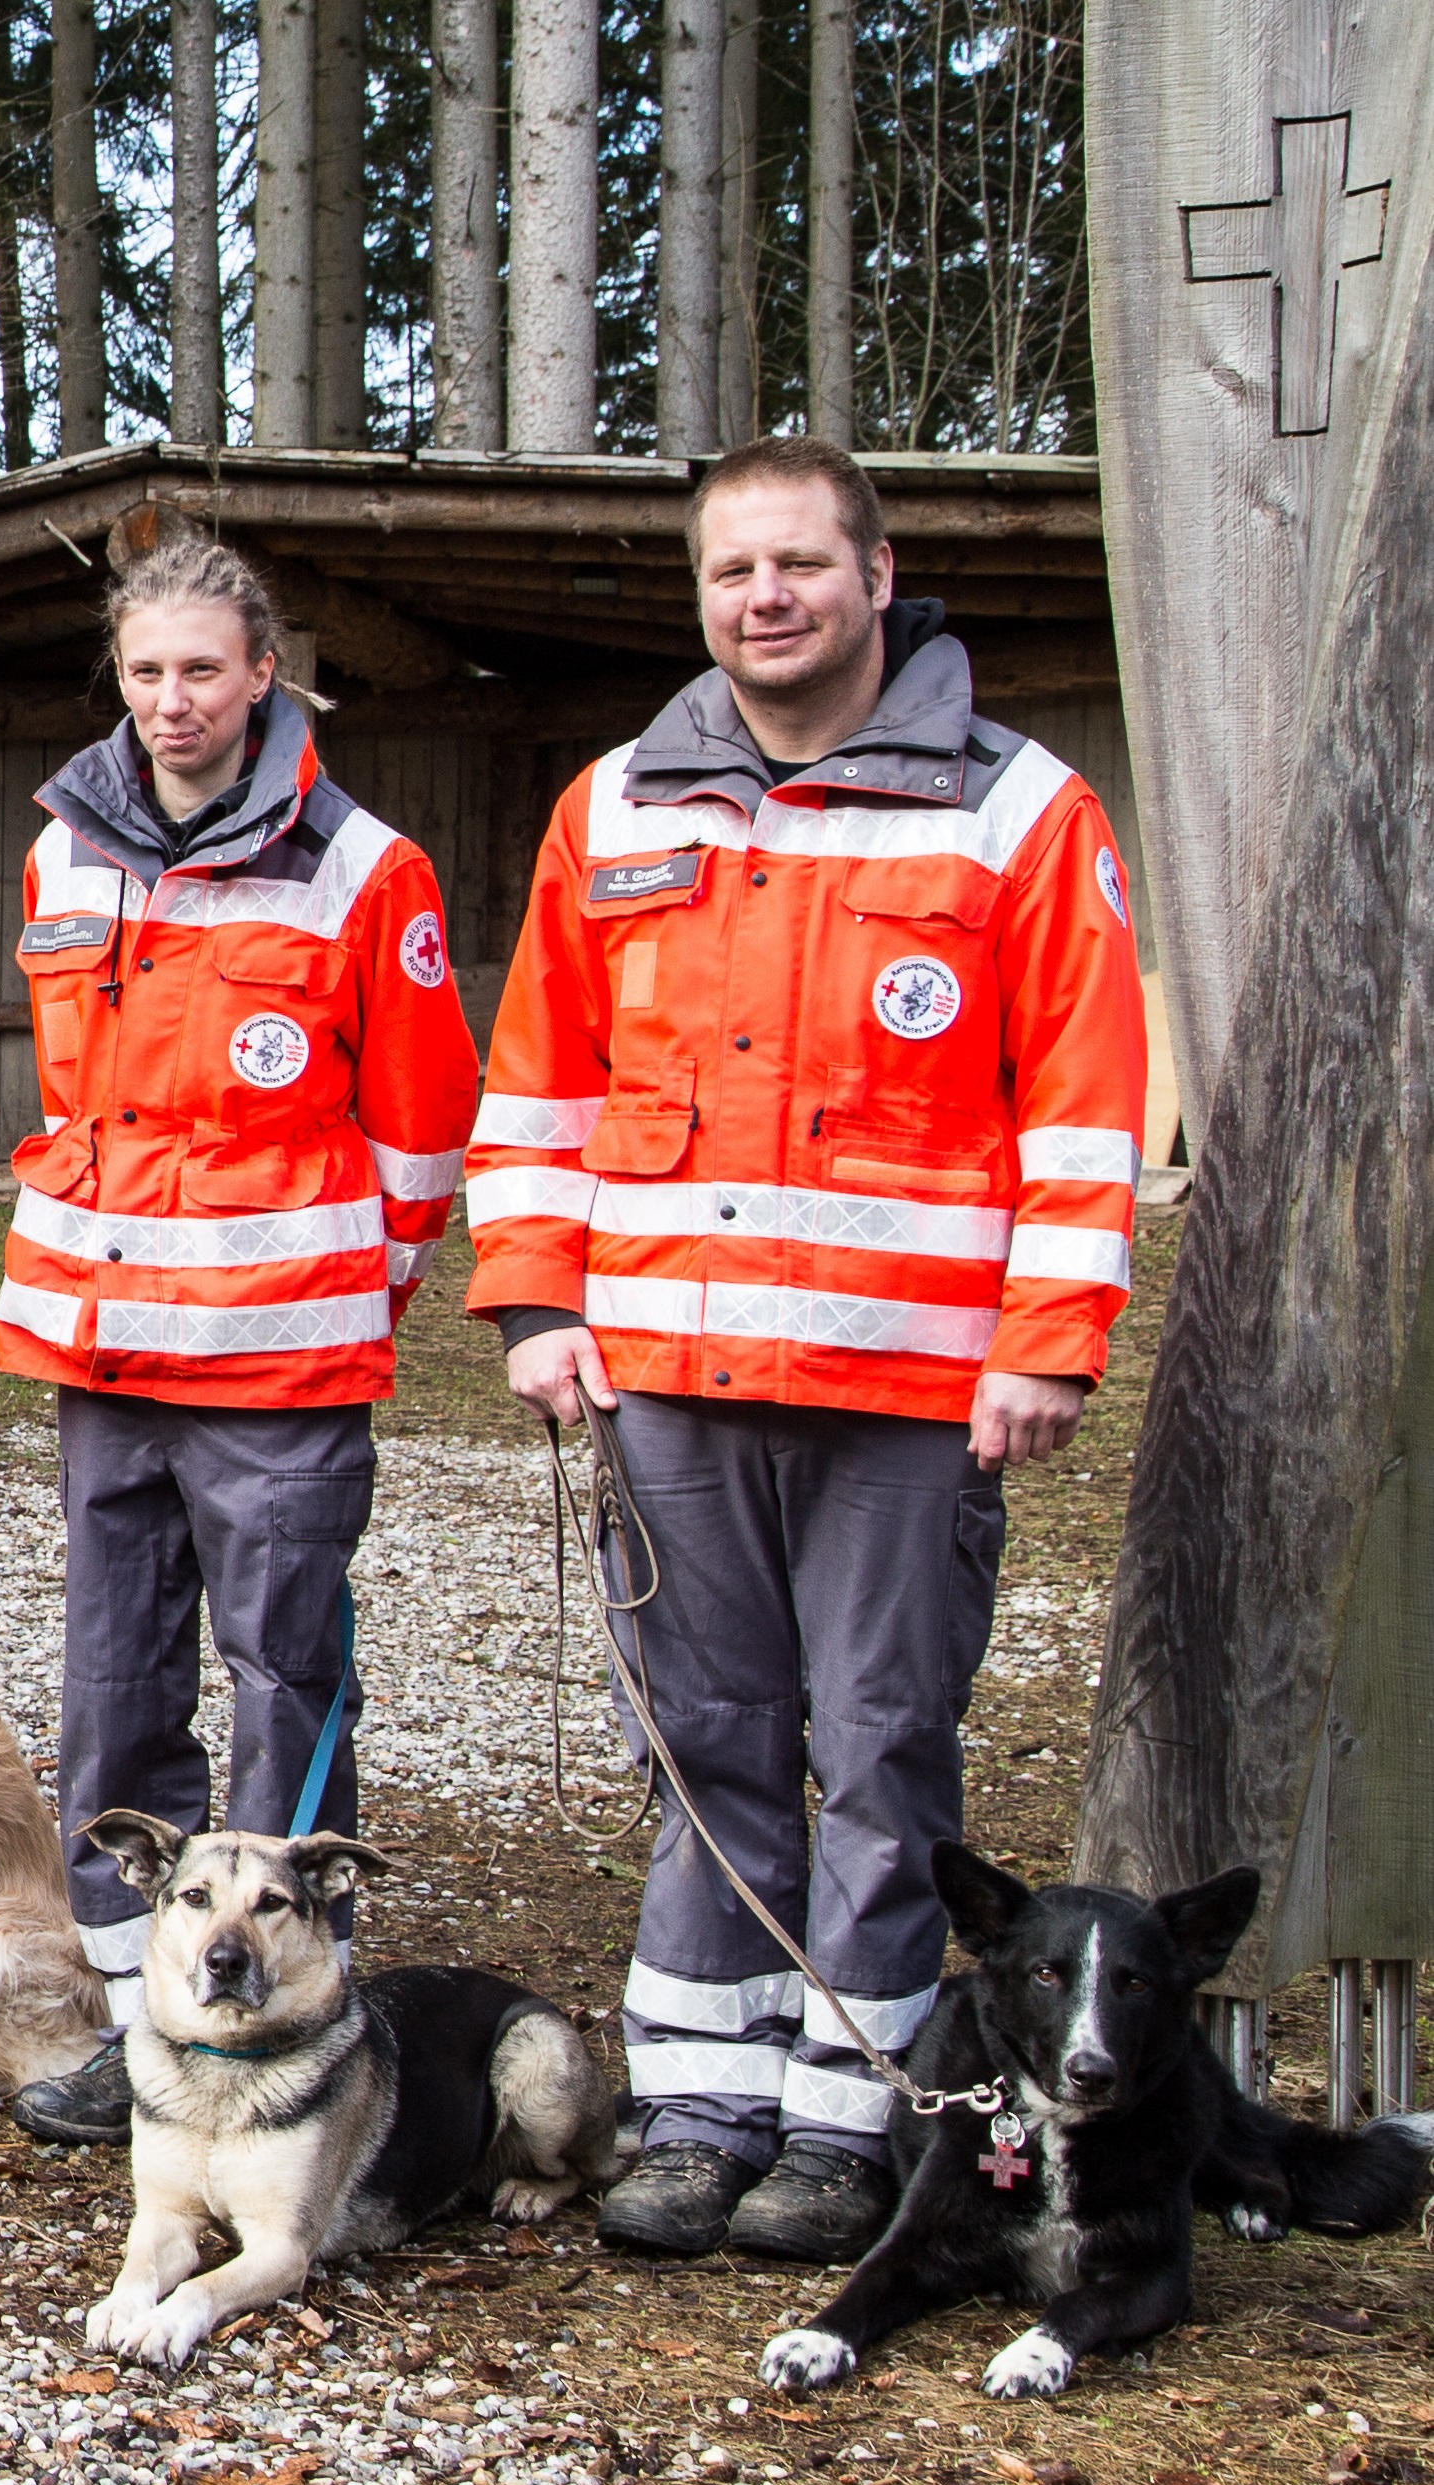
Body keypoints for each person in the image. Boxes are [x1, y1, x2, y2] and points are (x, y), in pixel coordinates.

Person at [465, 436, 1148, 2262]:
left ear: (872, 571)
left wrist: (1048, 1341)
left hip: (913, 1391)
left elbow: (1084, 1110)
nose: (763, 598)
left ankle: (850, 2118)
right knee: (704, 1748)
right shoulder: (614, 808)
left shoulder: (1016, 811)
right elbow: (537, 1081)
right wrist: (537, 1298)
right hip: (671, 1374)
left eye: (796, 565)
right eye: (730, 573)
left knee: (882, 1747)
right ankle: (697, 2103)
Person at [0, 537, 483, 2148]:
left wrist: (353, 1288)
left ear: (264, 672)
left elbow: (422, 1140)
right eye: (144, 671)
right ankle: (139, 2027)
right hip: (105, 1350)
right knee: (113, 1691)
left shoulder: (364, 869)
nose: (172, 700)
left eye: (203, 669)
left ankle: (283, 2028)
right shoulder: (66, 851)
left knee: (284, 1681)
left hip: (281, 1361)